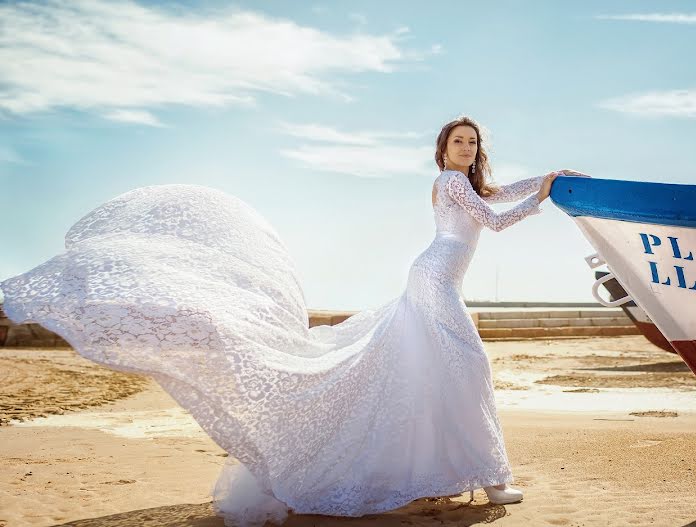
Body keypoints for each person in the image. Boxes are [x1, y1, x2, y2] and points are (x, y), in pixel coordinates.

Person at [0, 115, 588, 526]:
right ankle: (490, 477)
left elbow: (500, 189)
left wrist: (550, 179)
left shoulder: (466, 180)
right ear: (443, 151)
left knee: (435, 375)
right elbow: (497, 218)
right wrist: (542, 200)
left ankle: (465, 470)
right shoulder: (449, 182)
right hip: (433, 281)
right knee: (469, 367)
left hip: (438, 281)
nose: (464, 147)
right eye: (457, 141)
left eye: (471, 142)